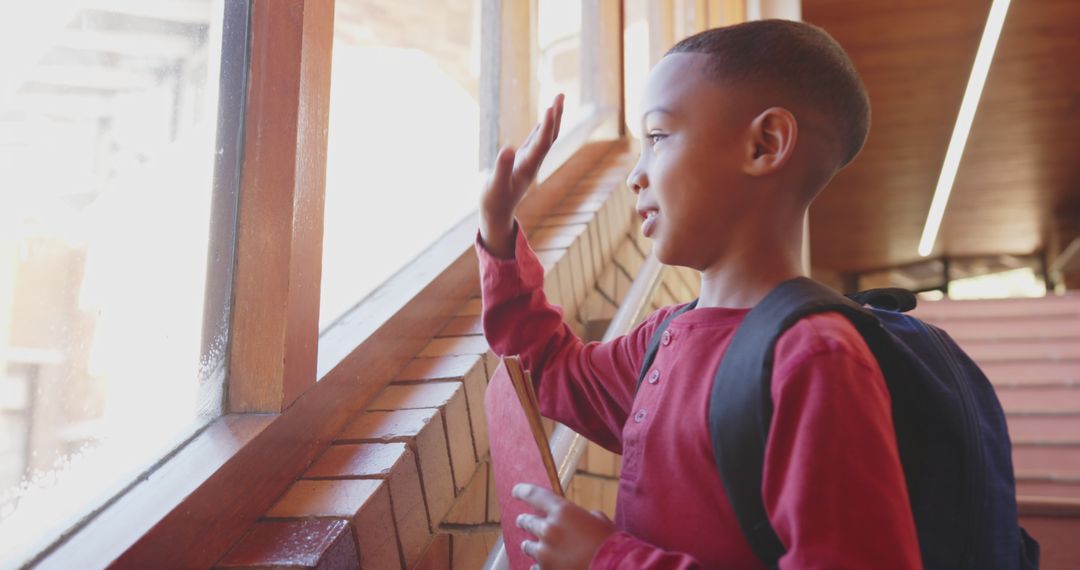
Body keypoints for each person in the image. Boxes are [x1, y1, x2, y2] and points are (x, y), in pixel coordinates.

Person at [476, 19, 921, 569]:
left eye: (658, 137)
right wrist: (499, 232)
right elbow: (549, 370)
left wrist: (607, 559)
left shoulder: (814, 359)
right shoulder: (663, 339)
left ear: (765, 144)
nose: (636, 175)